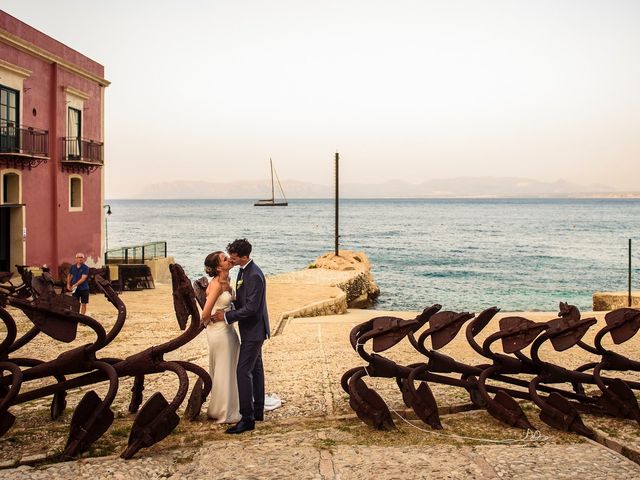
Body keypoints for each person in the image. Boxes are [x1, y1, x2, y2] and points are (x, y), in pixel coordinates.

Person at [213, 238, 270, 434]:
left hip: (254, 331)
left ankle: (247, 419)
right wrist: (232, 295)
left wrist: (226, 316)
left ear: (244, 257)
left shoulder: (254, 275)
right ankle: (258, 411)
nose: (231, 259)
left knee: (242, 371)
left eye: (234, 257)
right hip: (251, 329)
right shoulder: (243, 270)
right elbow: (245, 301)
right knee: (256, 369)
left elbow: (252, 309)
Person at [200, 251, 241, 424]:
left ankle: (229, 404)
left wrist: (226, 315)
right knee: (224, 367)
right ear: (218, 267)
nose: (229, 259)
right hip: (219, 332)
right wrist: (215, 321)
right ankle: (224, 410)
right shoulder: (216, 285)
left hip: (229, 329)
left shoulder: (228, 281)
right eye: (225, 259)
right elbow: (205, 314)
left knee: (231, 366)